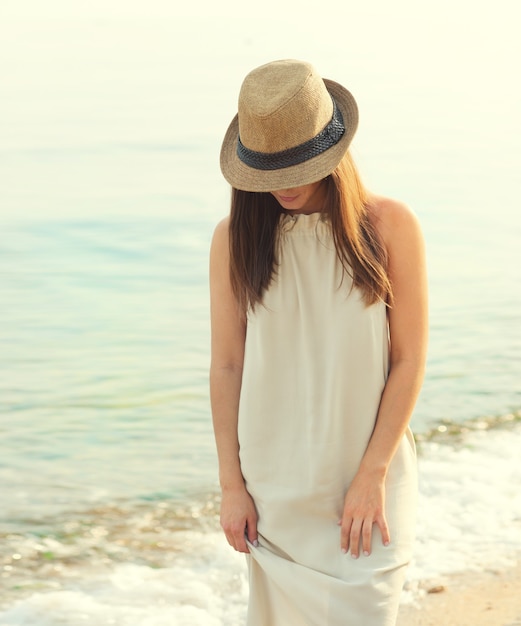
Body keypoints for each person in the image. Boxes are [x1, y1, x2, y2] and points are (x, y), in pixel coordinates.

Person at [209, 59, 428, 625]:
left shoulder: (388, 226)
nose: (282, 186)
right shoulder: (235, 239)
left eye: (295, 167)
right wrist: (232, 485)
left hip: (365, 485)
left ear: (331, 154)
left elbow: (408, 361)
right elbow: (228, 366)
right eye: (268, 171)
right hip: (275, 490)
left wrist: (372, 473)